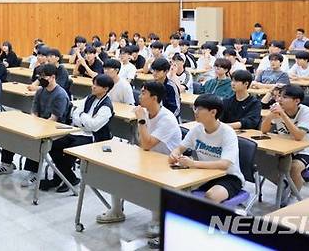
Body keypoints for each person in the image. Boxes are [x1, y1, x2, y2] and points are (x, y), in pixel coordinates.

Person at [96, 81, 181, 240]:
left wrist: (141, 120)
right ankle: (116, 211)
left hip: (166, 163)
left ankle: (156, 220)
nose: (139, 96)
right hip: (147, 156)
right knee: (117, 169)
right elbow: (141, 143)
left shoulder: (166, 118)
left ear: (154, 98)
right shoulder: (146, 112)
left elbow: (147, 144)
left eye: (143, 93)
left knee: (155, 183)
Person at [0, 64, 70, 186]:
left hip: (56, 129)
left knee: (36, 139)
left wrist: (35, 129)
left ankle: (34, 173)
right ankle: (7, 164)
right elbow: (34, 110)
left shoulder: (60, 95)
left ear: (53, 77)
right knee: (13, 132)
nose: (41, 79)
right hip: (40, 123)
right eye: (40, 76)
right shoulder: (40, 91)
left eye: (44, 76)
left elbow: (53, 119)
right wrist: (32, 123)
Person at [40, 74, 114, 193]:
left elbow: (93, 127)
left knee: (68, 152)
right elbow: (74, 113)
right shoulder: (90, 97)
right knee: (53, 145)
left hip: (92, 138)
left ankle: (63, 179)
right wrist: (84, 119)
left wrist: (82, 116)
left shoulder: (106, 107)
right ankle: (69, 178)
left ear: (105, 89)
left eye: (97, 85)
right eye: (93, 84)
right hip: (77, 131)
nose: (93, 87)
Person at [169, 94, 244, 203]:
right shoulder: (196, 129)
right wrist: (175, 154)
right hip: (205, 174)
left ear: (213, 112)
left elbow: (224, 165)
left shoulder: (227, 133)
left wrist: (193, 164)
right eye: (195, 108)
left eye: (199, 109)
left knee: (212, 196)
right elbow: (179, 148)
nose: (195, 112)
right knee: (172, 187)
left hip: (229, 177)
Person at [261, 85, 309, 196]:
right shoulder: (278, 108)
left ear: (296, 101)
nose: (279, 100)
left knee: (294, 167)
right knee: (262, 163)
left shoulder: (306, 111)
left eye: (284, 97)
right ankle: (285, 184)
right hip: (283, 149)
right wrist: (270, 116)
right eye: (278, 96)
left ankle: (293, 196)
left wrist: (282, 115)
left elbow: (298, 136)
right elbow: (264, 130)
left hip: (304, 150)